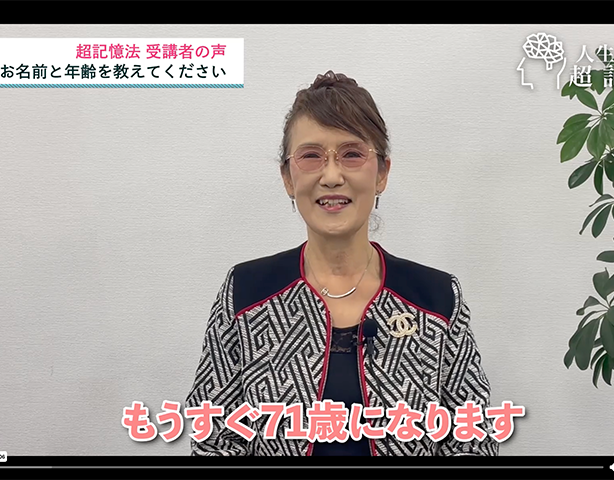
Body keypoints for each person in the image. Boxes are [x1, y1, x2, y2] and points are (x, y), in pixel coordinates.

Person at [185, 71, 498, 456]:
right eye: (311, 156)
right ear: (288, 178)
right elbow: (214, 439)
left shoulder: (436, 299)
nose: (331, 176)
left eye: (352, 154)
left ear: (381, 173)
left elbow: (473, 440)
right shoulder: (246, 294)